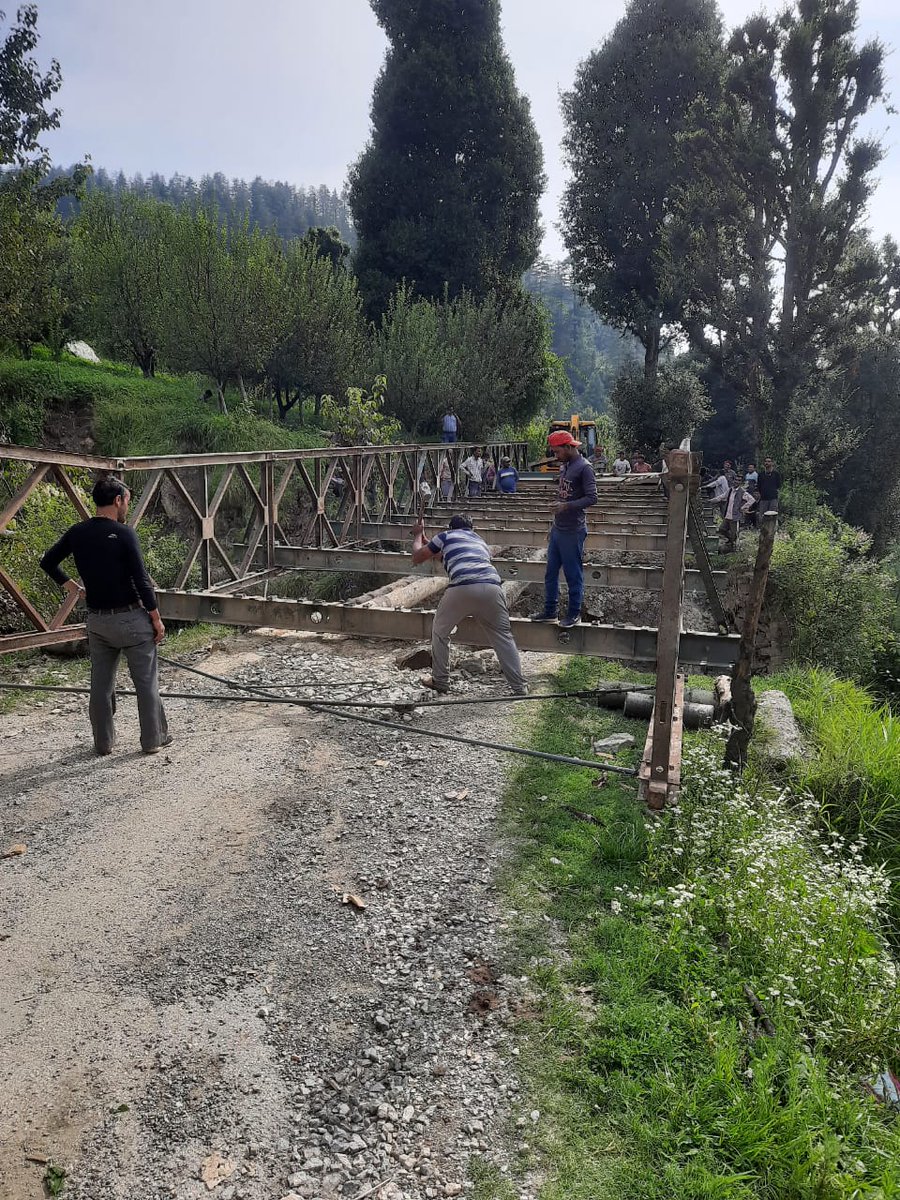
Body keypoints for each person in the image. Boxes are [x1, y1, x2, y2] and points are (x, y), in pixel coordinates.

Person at [39, 476, 170, 757]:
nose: (126, 506)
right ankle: (153, 741)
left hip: (98, 621)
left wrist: (73, 587)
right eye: (126, 501)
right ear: (117, 500)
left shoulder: (77, 532)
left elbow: (47, 562)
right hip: (132, 619)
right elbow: (142, 580)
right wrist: (156, 618)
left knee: (100, 685)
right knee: (146, 682)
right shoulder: (124, 534)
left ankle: (103, 744)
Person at [411, 514, 526, 695]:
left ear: (451, 527)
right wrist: (429, 543)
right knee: (503, 637)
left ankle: (440, 681)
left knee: (440, 633)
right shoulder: (480, 542)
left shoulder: (445, 536)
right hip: (492, 588)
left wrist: (418, 535)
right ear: (471, 529)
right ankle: (519, 687)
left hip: (462, 588)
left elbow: (417, 557)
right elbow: (447, 556)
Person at [533, 430, 598, 628]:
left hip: (573, 530)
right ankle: (550, 611)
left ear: (569, 447)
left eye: (557, 452)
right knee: (550, 572)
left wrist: (566, 506)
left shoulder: (584, 468)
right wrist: (558, 504)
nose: (555, 456)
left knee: (573, 573)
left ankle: (573, 614)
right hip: (559, 528)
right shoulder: (566, 466)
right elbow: (566, 493)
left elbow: (592, 497)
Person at [720, 483, 756, 551]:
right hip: (728, 515)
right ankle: (731, 542)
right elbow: (723, 497)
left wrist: (743, 507)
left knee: (735, 534)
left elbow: (752, 500)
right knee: (722, 529)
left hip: (735, 516)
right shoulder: (730, 490)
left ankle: (735, 548)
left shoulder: (742, 492)